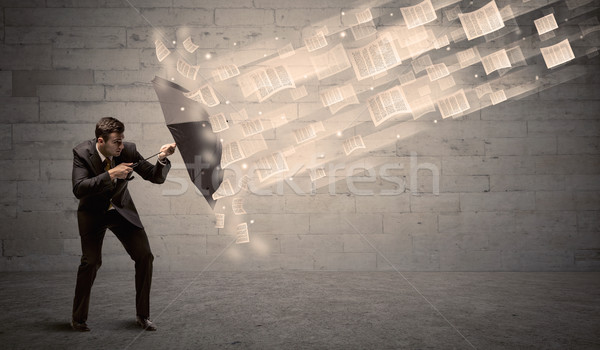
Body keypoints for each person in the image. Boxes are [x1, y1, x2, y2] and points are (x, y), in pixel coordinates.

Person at [70, 117, 176, 332]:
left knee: (145, 256)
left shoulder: (128, 151)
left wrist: (163, 158)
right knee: (90, 263)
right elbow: (79, 188)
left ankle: (143, 316)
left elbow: (155, 177)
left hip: (121, 211)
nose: (121, 146)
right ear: (101, 140)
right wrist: (110, 174)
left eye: (122, 140)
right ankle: (78, 319)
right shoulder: (82, 153)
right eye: (116, 142)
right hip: (93, 214)